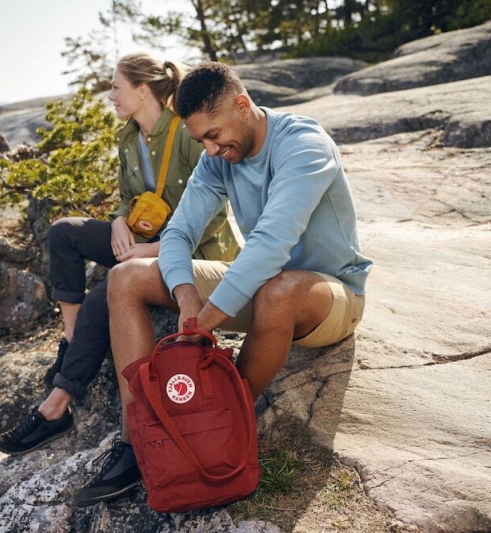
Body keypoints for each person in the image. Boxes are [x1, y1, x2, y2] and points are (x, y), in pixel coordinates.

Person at [73, 61, 373, 507]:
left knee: (278, 290)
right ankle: (141, 440)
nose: (210, 150)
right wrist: (185, 293)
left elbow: (271, 243)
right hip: (260, 288)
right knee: (126, 277)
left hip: (330, 297)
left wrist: (204, 321)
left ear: (242, 104)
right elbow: (178, 234)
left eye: (214, 135)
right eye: (200, 141)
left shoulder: (305, 146)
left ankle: (220, 425)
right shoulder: (217, 158)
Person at [0, 54, 240, 455]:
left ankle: (56, 408)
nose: (109, 96)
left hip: (190, 252)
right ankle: (72, 340)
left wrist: (153, 249)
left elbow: (212, 218)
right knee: (64, 233)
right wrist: (119, 222)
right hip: (141, 242)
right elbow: (128, 198)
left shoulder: (185, 134)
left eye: (115, 87)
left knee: (104, 295)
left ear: (143, 90)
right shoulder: (127, 138)